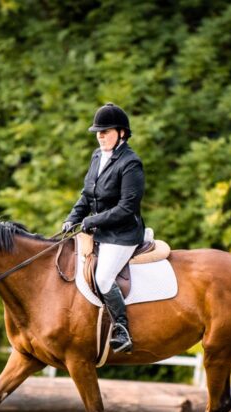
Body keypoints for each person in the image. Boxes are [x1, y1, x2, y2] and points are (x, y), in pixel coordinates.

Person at [62, 103, 145, 354]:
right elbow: (87, 195)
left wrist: (90, 222)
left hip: (123, 234)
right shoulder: (97, 156)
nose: (100, 135)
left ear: (121, 133)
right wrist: (73, 217)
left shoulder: (131, 163)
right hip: (100, 232)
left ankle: (122, 328)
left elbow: (126, 208)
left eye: (105, 131)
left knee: (103, 277)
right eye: (98, 131)